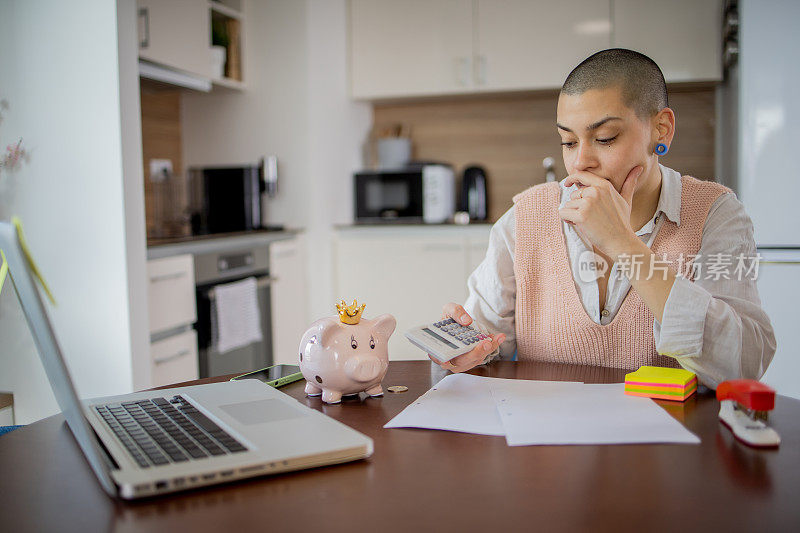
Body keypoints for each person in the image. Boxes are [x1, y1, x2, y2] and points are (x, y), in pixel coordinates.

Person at [434, 49, 776, 388]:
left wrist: (623, 244)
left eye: (604, 138)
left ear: (662, 130)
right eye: (568, 142)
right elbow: (485, 342)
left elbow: (743, 365)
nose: (581, 162)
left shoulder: (715, 213)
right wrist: (464, 350)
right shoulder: (526, 218)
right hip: (550, 436)